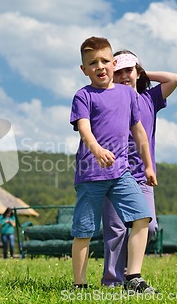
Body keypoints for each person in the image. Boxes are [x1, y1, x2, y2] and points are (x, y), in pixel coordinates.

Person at [70, 36, 157, 293]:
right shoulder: (83, 96)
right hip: (91, 175)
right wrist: (96, 149)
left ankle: (134, 277)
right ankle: (80, 284)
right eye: (93, 63)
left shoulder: (128, 95)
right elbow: (83, 128)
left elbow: (139, 131)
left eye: (105, 61)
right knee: (84, 231)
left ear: (113, 62)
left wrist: (149, 166)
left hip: (122, 173)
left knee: (142, 217)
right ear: (84, 70)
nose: (100, 66)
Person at [102, 50, 177, 287]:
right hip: (114, 175)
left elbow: (174, 78)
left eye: (129, 70)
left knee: (149, 225)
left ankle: (130, 273)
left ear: (138, 72)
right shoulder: (109, 100)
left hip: (142, 177)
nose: (124, 76)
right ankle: (112, 282)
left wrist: (144, 71)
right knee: (115, 230)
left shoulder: (150, 99)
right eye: (119, 72)